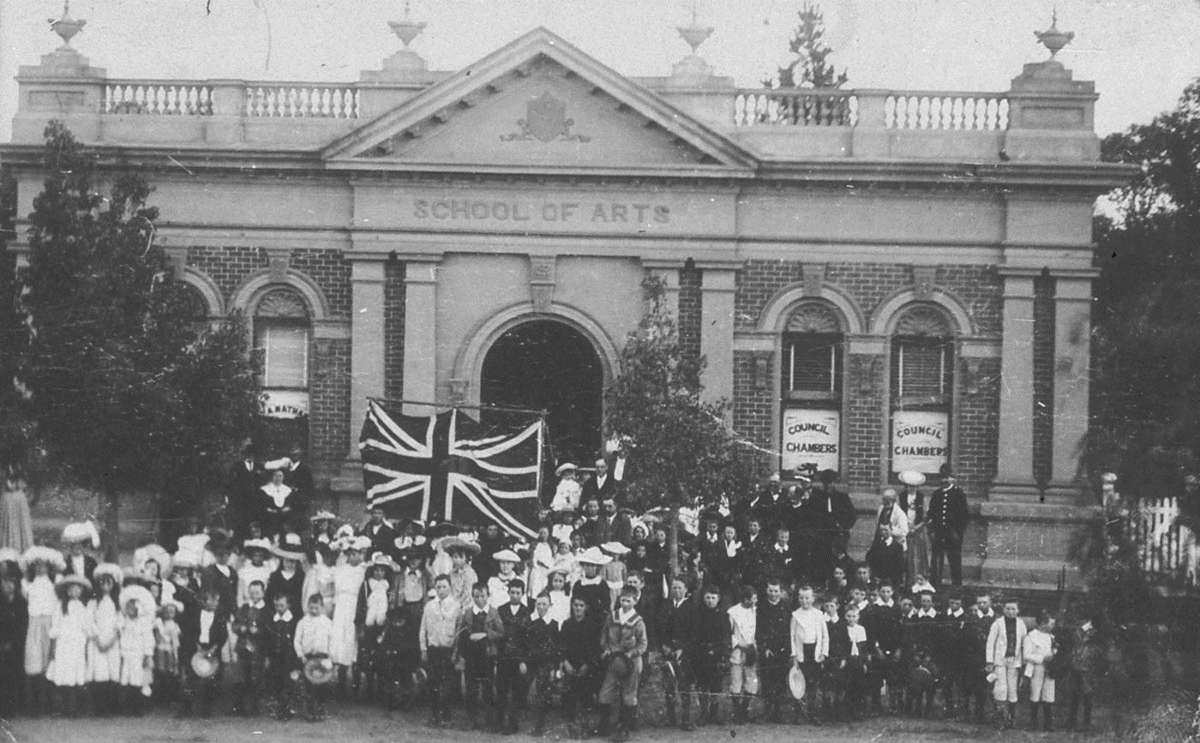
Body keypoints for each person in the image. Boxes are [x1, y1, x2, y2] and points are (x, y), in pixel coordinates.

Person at [596, 585, 648, 742]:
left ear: (635, 601)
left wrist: (631, 653)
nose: (625, 603)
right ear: (619, 599)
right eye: (623, 600)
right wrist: (606, 649)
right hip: (613, 660)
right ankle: (604, 725)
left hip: (631, 662)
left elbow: (643, 644)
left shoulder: (638, 622)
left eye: (629, 601)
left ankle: (624, 728)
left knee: (629, 694)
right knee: (605, 692)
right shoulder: (612, 616)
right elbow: (604, 636)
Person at [455, 582, 499, 731]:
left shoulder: (493, 612)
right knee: (471, 687)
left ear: (488, 596)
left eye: (483, 596)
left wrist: (486, 634)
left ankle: (490, 719)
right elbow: (461, 634)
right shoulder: (468, 613)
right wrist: (462, 654)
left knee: (488, 687)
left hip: (487, 654)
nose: (480, 599)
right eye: (476, 596)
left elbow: (501, 633)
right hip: (472, 654)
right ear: (472, 596)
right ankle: (471, 719)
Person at [491, 578, 532, 734]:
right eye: (512, 592)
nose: (515, 595)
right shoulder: (500, 610)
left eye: (518, 593)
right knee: (501, 690)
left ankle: (512, 723)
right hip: (503, 657)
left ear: (522, 594)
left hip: (518, 658)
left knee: (516, 692)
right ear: (508, 592)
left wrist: (523, 660)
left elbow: (527, 639)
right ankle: (499, 722)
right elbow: (496, 633)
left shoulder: (527, 612)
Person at [47, 573, 92, 716]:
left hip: (77, 645)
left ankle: (73, 708)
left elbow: (86, 627)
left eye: (78, 589)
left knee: (75, 675)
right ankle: (62, 707)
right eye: (72, 589)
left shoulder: (82, 607)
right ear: (67, 591)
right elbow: (55, 627)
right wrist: (53, 647)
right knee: (63, 675)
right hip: (63, 644)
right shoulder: (60, 607)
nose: (75, 591)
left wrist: (85, 645)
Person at [329, 535, 368, 697]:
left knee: (354, 641)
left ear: (361, 554)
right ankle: (341, 678)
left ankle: (356, 681)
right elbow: (335, 589)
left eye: (356, 554)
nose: (353, 557)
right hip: (342, 607)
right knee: (340, 640)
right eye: (350, 554)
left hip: (355, 607)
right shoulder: (341, 570)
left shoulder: (364, 570)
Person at [419, 574, 459, 728]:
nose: (441, 590)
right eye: (438, 587)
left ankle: (446, 715)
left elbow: (457, 631)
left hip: (448, 650)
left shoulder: (456, 606)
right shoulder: (429, 606)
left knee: (447, 684)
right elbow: (423, 628)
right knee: (433, 682)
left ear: (450, 587)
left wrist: (456, 651)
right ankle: (435, 715)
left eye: (444, 587)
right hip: (433, 649)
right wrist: (423, 648)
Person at [357, 551, 395, 700]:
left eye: (382, 570)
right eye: (377, 570)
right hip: (369, 626)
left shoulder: (387, 586)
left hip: (382, 626)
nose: (379, 573)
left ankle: (381, 688)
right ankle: (369, 687)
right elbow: (361, 605)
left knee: (382, 656)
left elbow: (390, 606)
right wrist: (361, 624)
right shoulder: (367, 585)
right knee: (368, 655)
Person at [789, 585, 828, 725]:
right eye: (801, 598)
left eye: (807, 598)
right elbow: (792, 636)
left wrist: (824, 652)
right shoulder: (795, 615)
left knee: (813, 684)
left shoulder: (819, 614)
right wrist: (794, 654)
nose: (804, 601)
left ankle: (813, 713)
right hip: (801, 652)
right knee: (800, 682)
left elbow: (825, 636)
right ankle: (799, 713)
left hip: (814, 651)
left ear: (813, 598)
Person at [88, 563, 123, 714]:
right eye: (102, 582)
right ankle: (99, 707)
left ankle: (111, 706)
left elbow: (120, 623)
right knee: (99, 671)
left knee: (112, 670)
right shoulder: (93, 603)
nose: (106, 585)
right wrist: (97, 640)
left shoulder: (118, 603)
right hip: (97, 642)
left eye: (109, 582)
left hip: (112, 641)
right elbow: (89, 621)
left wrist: (112, 640)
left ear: (114, 584)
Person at [690, 585, 728, 727]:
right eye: (707, 597)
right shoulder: (697, 614)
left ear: (718, 599)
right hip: (701, 654)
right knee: (702, 684)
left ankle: (714, 713)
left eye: (713, 598)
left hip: (717, 655)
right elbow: (694, 634)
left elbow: (725, 637)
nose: (710, 601)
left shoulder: (723, 616)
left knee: (716, 685)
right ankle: (703, 713)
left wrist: (721, 653)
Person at [986, 599, 1026, 729]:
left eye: (1013, 609)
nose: (1010, 611)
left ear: (1018, 610)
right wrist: (990, 661)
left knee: (1012, 689)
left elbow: (1024, 643)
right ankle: (1001, 719)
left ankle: (1012, 718)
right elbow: (990, 643)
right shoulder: (998, 624)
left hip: (1014, 660)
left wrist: (1024, 662)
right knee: (1001, 688)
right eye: (1008, 609)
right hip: (1000, 660)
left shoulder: (1021, 624)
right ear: (1003, 610)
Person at [294, 593, 334, 722]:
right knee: (308, 685)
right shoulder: (303, 622)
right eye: (311, 607)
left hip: (322, 658)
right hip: (308, 658)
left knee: (322, 685)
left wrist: (330, 657)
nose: (313, 610)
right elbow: (297, 640)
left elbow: (332, 640)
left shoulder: (327, 622)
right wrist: (301, 655)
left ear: (322, 607)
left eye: (316, 608)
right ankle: (310, 710)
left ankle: (320, 709)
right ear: (307, 606)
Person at [756, 578, 791, 723]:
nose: (773, 594)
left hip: (782, 649)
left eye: (776, 591)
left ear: (781, 592)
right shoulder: (761, 607)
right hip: (767, 650)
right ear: (766, 590)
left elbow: (790, 629)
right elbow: (758, 629)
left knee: (780, 680)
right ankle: (768, 709)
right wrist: (764, 647)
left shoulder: (787, 606)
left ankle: (778, 711)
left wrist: (786, 648)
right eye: (770, 590)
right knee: (767, 679)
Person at [526, 592, 562, 736]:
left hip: (546, 664)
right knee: (533, 693)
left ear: (550, 605)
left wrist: (554, 667)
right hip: (533, 662)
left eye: (544, 604)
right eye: (538, 604)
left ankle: (540, 725)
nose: (541, 607)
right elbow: (527, 644)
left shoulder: (553, 624)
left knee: (543, 693)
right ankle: (535, 721)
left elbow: (556, 648)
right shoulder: (531, 622)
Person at [928, 466, 969, 587]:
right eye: (942, 478)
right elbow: (931, 513)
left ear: (952, 478)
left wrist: (958, 532)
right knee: (936, 560)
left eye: (946, 478)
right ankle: (935, 585)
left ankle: (957, 585)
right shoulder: (936, 494)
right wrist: (932, 531)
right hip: (939, 532)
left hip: (953, 533)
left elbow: (964, 515)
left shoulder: (958, 493)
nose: (944, 481)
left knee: (954, 559)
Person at [116, 588, 155, 715]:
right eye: (128, 607)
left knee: (137, 679)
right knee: (126, 678)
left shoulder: (143, 623)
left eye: (134, 607)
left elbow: (148, 639)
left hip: (138, 654)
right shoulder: (124, 621)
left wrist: (148, 655)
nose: (131, 610)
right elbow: (119, 631)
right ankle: (126, 706)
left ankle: (137, 707)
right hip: (126, 653)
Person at [232, 580, 269, 715]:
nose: (254, 595)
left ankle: (255, 707)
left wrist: (258, 631)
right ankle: (239, 706)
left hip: (258, 649)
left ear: (263, 593)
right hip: (243, 647)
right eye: (252, 592)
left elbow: (269, 630)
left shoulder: (266, 611)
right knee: (241, 677)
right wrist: (240, 628)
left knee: (256, 678)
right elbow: (234, 625)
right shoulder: (244, 608)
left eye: (257, 592)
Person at [263, 592, 298, 720]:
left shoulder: (293, 621)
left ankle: (287, 709)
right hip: (275, 657)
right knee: (276, 682)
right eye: (277, 606)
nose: (279, 608)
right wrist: (268, 656)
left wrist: (296, 659)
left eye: (282, 605)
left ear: (288, 605)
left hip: (288, 658)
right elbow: (268, 640)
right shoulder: (273, 620)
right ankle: (279, 708)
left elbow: (296, 640)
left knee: (288, 683)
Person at [727, 585, 759, 723]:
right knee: (736, 681)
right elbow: (728, 633)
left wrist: (752, 648)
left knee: (751, 681)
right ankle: (737, 710)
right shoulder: (733, 612)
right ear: (746, 599)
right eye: (753, 598)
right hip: (737, 650)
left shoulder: (755, 611)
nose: (755, 600)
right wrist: (739, 645)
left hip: (751, 650)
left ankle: (744, 710)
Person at [0, 561, 28, 718]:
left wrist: (12, 643)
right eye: (4, 581)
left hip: (15, 646)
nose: (7, 585)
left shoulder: (21, 602)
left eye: (11, 581)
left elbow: (22, 627)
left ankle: (12, 707)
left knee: (13, 675)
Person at [1023, 612, 1056, 731]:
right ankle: (1033, 723)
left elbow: (1054, 651)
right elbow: (1026, 655)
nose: (1053, 626)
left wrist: (1054, 656)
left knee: (1049, 694)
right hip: (1036, 668)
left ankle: (1048, 724)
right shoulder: (1031, 636)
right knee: (1035, 693)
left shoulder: (1051, 637)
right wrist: (1042, 658)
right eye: (1051, 623)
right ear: (1042, 623)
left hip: (1049, 669)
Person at [898, 471, 930, 586]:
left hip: (918, 530)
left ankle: (917, 581)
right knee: (905, 555)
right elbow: (898, 513)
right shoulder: (901, 497)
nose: (912, 488)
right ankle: (905, 581)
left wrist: (916, 527)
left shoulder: (922, 498)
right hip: (904, 530)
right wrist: (905, 526)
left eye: (914, 486)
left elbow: (926, 516)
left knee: (917, 555)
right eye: (909, 486)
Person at [266, 533, 306, 615]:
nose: (289, 565)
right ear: (282, 561)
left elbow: (301, 597)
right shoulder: (275, 576)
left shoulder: (301, 577)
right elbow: (269, 597)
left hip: (295, 613)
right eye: (287, 561)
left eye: (293, 562)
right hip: (276, 612)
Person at [0, 468, 34, 553]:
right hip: (7, 500)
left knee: (21, 524)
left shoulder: (20, 468)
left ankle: (22, 548)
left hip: (18, 500)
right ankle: (7, 549)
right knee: (7, 524)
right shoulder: (5, 494)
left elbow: (22, 485)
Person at [866, 524, 905, 589]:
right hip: (878, 579)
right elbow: (869, 560)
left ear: (891, 530)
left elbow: (900, 566)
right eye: (881, 530)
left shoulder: (897, 546)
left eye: (886, 530)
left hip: (892, 580)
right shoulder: (876, 545)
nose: (883, 532)